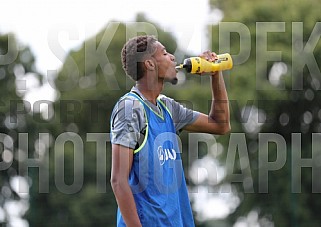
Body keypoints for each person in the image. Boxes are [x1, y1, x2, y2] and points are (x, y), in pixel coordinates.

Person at [110, 35, 230, 227]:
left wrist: (216, 73)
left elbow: (220, 124)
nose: (172, 57)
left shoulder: (168, 108)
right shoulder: (130, 109)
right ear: (149, 64)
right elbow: (118, 181)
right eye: (165, 53)